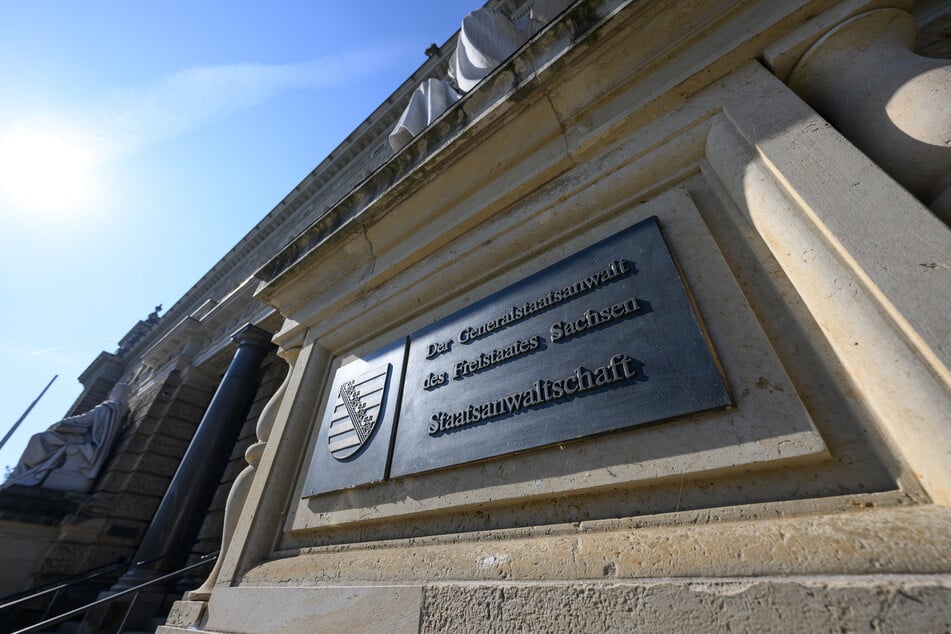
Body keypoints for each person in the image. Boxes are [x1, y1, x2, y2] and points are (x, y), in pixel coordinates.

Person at [3, 383, 130, 493]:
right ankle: (27, 473)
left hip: (86, 439)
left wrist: (60, 423)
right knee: (45, 439)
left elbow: (84, 419)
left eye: (114, 390)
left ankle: (22, 474)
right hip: (93, 440)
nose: (111, 392)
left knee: (39, 438)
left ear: (117, 392)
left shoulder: (107, 407)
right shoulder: (121, 408)